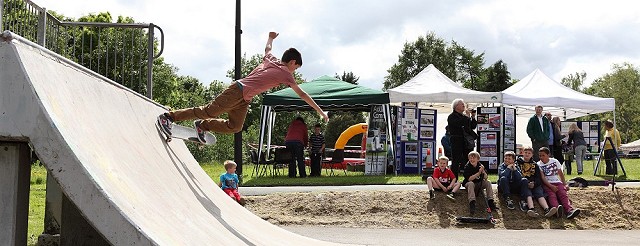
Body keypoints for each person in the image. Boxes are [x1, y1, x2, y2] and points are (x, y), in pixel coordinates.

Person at [157, 32, 329, 143]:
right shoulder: (286, 73)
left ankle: (202, 126)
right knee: (209, 110)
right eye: (296, 68)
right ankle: (169, 117)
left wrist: (270, 37)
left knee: (235, 126)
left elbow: (267, 48)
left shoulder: (271, 59)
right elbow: (303, 94)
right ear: (292, 62)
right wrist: (320, 112)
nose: (295, 71)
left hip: (244, 99)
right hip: (237, 90)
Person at [538, 147, 581, 219]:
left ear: (548, 155)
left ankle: (569, 211)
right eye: (540, 155)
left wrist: (564, 184)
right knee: (552, 196)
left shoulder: (554, 161)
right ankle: (557, 209)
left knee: (563, 194)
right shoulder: (539, 164)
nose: (541, 157)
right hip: (547, 184)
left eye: (543, 155)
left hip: (557, 182)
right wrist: (551, 186)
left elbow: (560, 173)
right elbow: (543, 178)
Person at [516, 147, 557, 218]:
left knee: (539, 193)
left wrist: (534, 183)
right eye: (525, 152)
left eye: (529, 153)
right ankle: (531, 209)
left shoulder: (535, 165)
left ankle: (547, 209)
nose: (527, 154)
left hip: (534, 183)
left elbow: (538, 177)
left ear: (532, 155)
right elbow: (518, 175)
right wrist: (528, 183)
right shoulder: (517, 164)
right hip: (524, 184)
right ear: (522, 153)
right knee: (528, 194)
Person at [447, 99, 477, 180]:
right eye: (462, 104)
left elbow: (472, 126)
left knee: (468, 159)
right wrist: (467, 117)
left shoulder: (464, 116)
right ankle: (454, 180)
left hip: (466, 142)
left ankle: (469, 179)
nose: (464, 105)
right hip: (457, 141)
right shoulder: (452, 116)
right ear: (456, 106)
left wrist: (473, 117)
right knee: (456, 161)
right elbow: (459, 123)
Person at [462, 151, 497, 215]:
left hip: (478, 184)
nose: (472, 159)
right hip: (470, 185)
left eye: (474, 158)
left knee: (488, 182)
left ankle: (490, 201)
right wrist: (478, 173)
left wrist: (483, 171)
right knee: (471, 183)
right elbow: (469, 179)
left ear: (478, 159)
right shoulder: (467, 167)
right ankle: (472, 202)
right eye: (470, 158)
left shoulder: (480, 166)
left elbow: (486, 177)